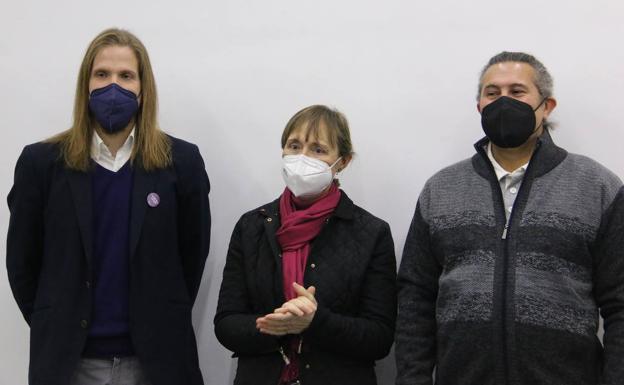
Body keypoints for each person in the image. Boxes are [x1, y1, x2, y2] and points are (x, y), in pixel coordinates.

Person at [395, 51, 624, 385]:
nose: (504, 102)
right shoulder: (440, 189)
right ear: (479, 108)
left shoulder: (597, 186)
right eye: (492, 93)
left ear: (546, 106)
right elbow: (415, 298)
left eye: (517, 92)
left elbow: (620, 302)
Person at [6, 28, 210, 385]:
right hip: (69, 365)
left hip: (158, 363)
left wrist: (157, 317)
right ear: (85, 85)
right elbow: (22, 263)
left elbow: (191, 257)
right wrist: (56, 321)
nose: (112, 85)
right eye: (102, 74)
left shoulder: (182, 163)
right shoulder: (41, 164)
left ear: (143, 88)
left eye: (125, 76)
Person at [214, 105, 397, 385]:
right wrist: (276, 325)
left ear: (343, 161)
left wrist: (315, 321)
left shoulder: (371, 233)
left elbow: (379, 337)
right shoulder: (251, 227)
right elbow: (226, 323)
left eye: (318, 150)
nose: (302, 158)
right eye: (295, 146)